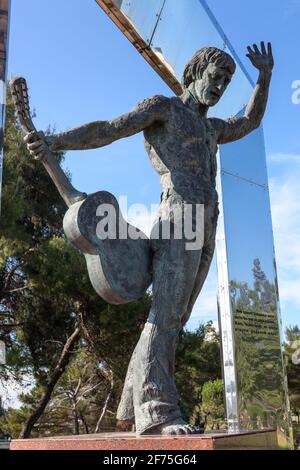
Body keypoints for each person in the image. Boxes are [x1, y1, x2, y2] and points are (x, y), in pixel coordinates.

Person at [25, 42, 274, 435]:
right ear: (195, 72)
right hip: (179, 217)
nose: (221, 86)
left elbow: (250, 121)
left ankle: (128, 406)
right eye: (216, 76)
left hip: (207, 222)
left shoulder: (212, 128)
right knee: (166, 313)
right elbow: (110, 129)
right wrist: (56, 141)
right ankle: (157, 411)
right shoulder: (165, 108)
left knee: (176, 315)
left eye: (227, 80)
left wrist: (264, 77)